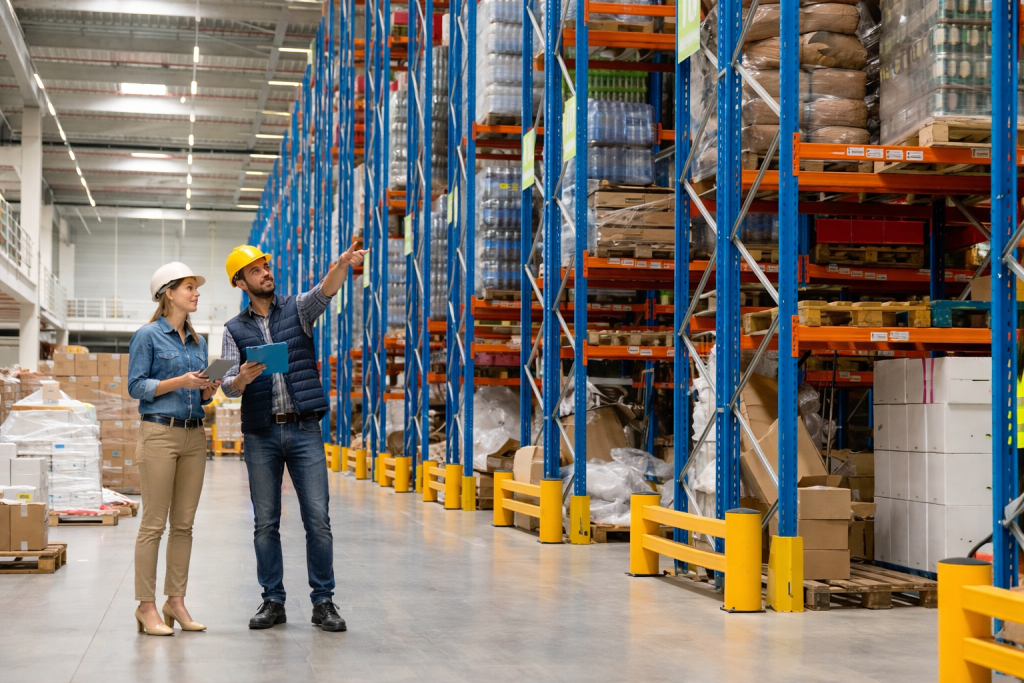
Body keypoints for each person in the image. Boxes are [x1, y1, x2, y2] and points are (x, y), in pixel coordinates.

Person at [221, 242, 366, 632]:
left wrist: (341, 265)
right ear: (240, 283)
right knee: (265, 522)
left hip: (303, 428)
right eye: (256, 271)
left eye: (266, 266)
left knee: (317, 519)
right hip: (262, 434)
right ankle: (273, 601)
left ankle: (324, 602)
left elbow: (327, 289)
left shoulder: (298, 309)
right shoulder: (233, 330)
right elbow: (227, 387)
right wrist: (243, 378)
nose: (266, 273)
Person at [127, 263, 220, 636]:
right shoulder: (148, 336)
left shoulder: (199, 343)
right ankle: (146, 606)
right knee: (153, 524)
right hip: (159, 435)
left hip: (194, 436)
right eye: (188, 287)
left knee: (184, 525)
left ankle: (175, 601)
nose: (196, 293)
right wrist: (178, 380)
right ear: (168, 293)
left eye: (196, 288)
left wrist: (208, 389)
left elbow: (204, 396)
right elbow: (136, 387)